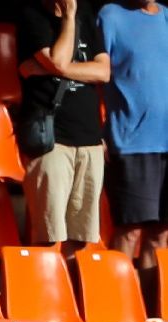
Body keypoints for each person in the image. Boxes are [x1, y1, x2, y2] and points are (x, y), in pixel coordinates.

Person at [20, 0, 109, 254]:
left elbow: (103, 71)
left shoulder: (87, 14)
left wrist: (50, 69)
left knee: (79, 237)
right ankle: (42, 292)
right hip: (52, 139)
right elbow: (58, 60)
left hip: (89, 138)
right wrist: (69, 17)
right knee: (48, 235)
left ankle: (68, 291)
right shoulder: (33, 16)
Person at [99, 0, 168, 287]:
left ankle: (152, 318)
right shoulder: (110, 15)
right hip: (130, 141)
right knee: (129, 231)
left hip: (165, 144)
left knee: (161, 233)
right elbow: (96, 75)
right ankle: (117, 310)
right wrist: (97, 130)